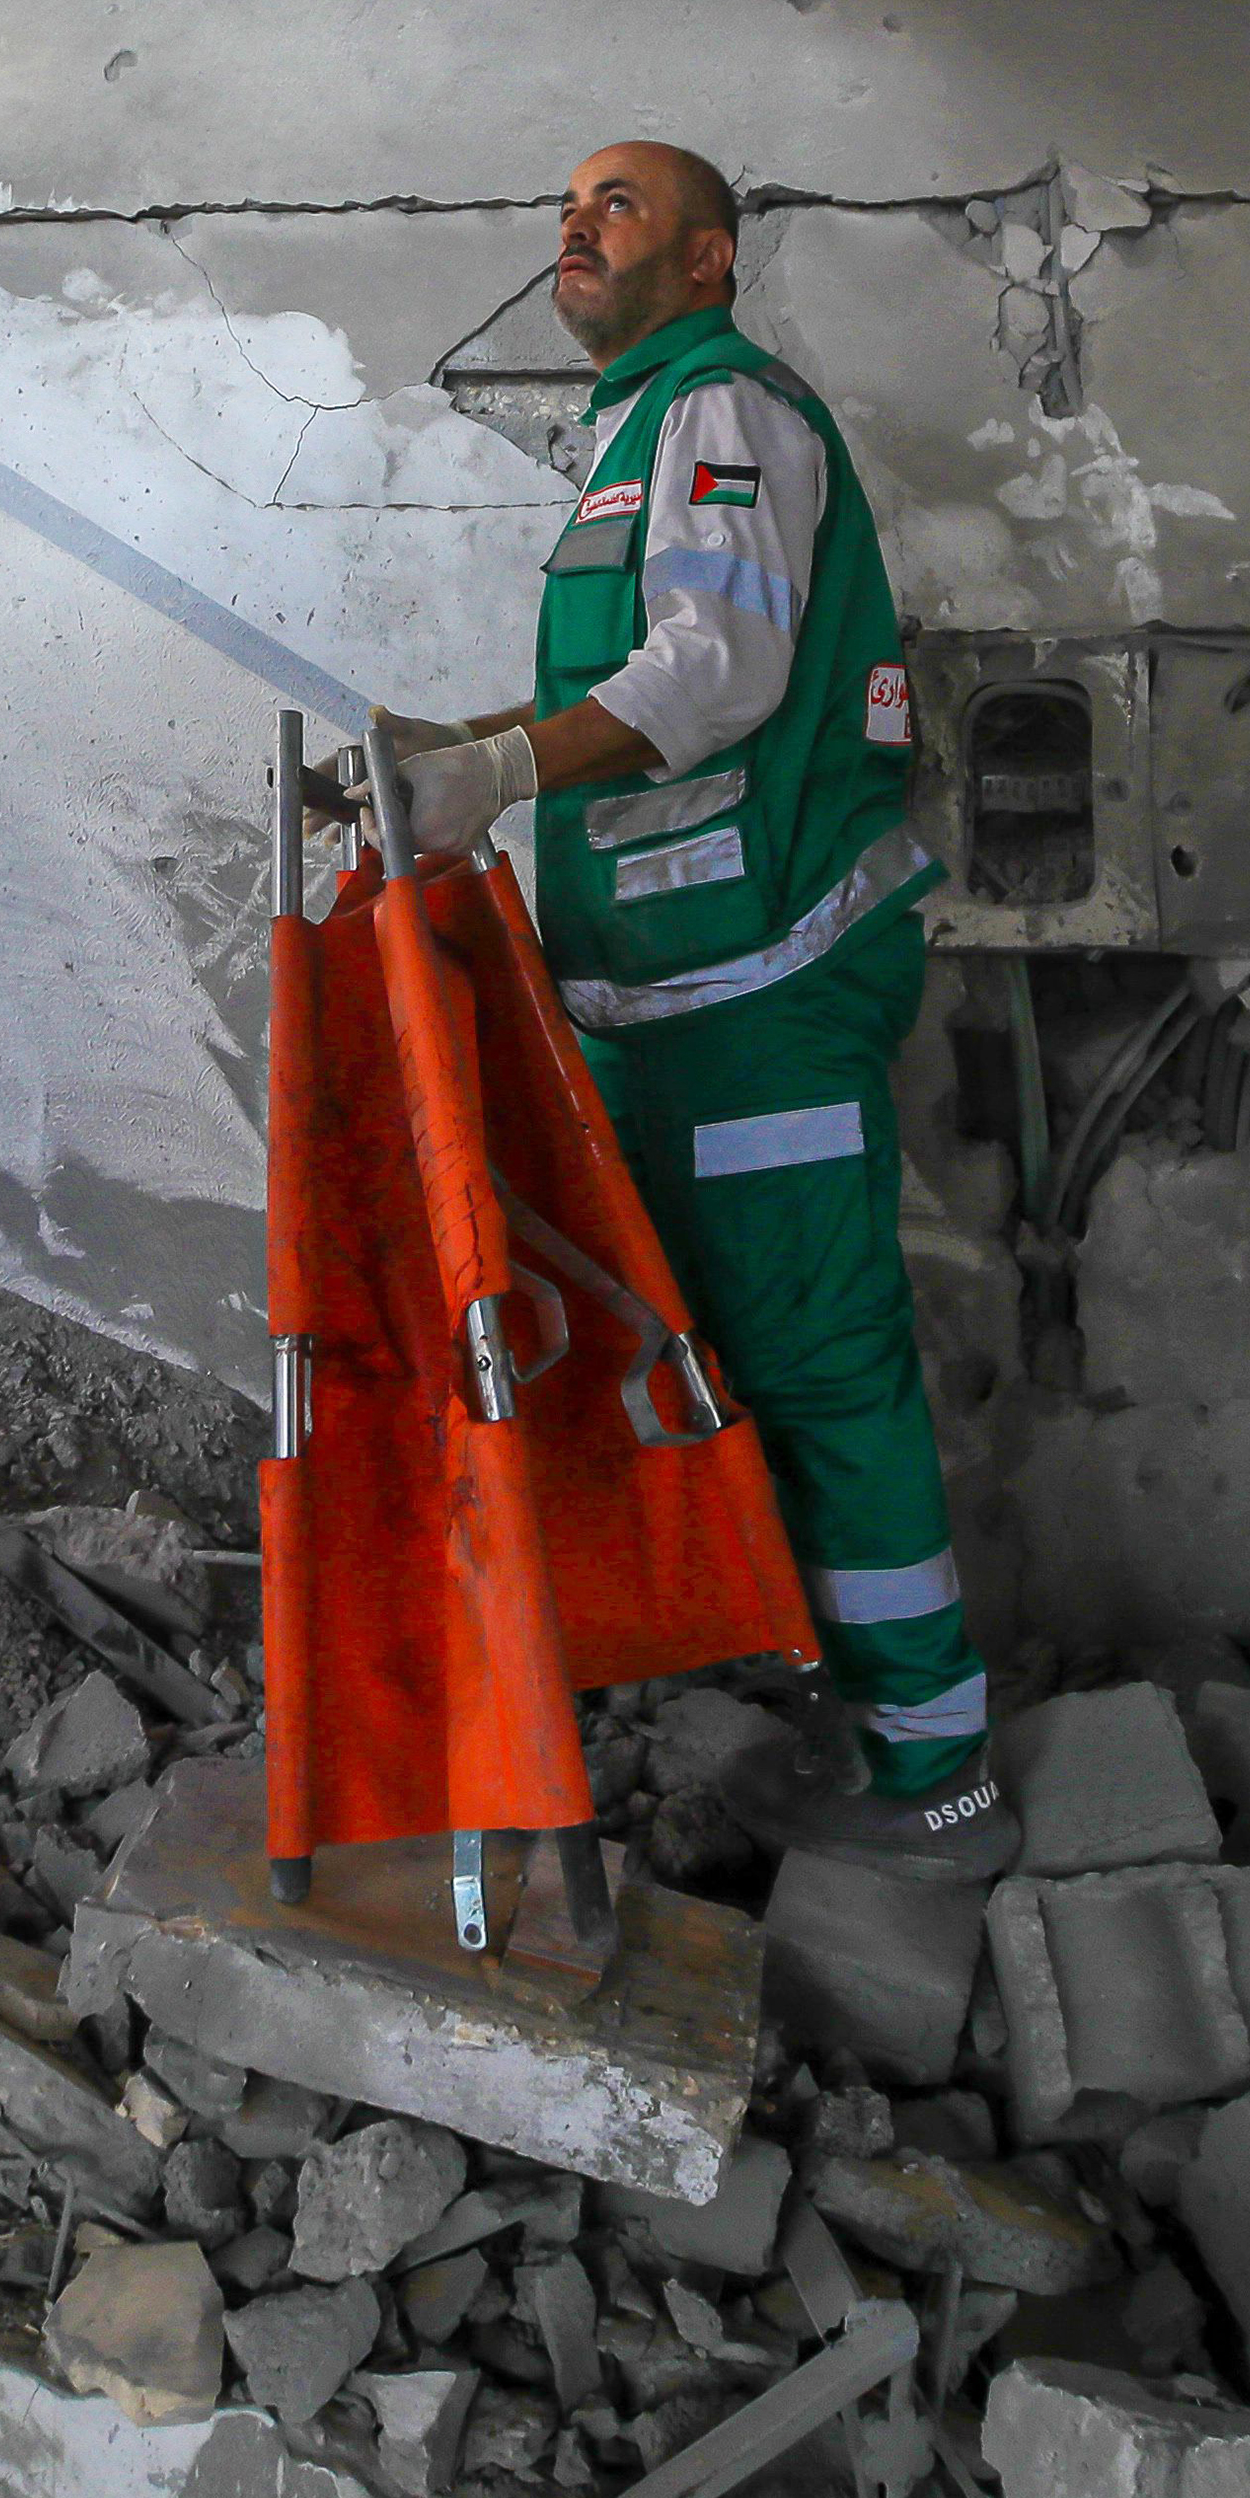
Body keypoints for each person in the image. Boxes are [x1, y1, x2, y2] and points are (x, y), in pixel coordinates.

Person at [359, 141, 1012, 1880]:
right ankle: (846, 1710)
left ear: (711, 259)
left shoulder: (723, 413)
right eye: (564, 204)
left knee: (814, 1367)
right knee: (724, 1365)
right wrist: (461, 760)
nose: (574, 224)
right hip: (676, 991)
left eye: (619, 206)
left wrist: (493, 766)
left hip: (764, 986)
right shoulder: (638, 437)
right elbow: (633, 690)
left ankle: (936, 1775)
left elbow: (714, 676)